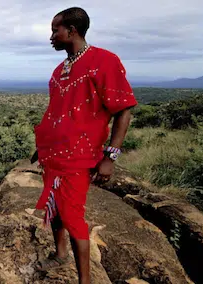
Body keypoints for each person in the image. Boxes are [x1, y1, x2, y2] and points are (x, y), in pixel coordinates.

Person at [31, 7, 138, 284]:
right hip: (53, 156)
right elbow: (55, 111)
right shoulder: (60, 70)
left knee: (73, 215)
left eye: (56, 30)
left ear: (72, 31)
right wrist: (42, 145)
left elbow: (123, 109)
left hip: (79, 157)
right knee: (54, 207)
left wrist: (110, 157)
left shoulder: (104, 61)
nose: (52, 36)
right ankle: (60, 253)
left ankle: (85, 281)